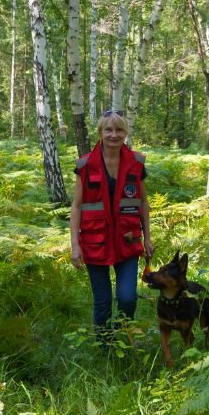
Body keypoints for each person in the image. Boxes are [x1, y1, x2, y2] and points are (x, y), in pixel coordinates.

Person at [70, 110, 152, 341]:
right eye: (108, 130)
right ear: (100, 133)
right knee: (103, 301)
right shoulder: (85, 165)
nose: (114, 135)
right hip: (95, 242)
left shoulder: (137, 163)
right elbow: (76, 207)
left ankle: (123, 338)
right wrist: (75, 245)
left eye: (119, 130)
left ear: (125, 132)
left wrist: (148, 237)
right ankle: (105, 348)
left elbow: (143, 202)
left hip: (127, 240)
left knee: (127, 297)